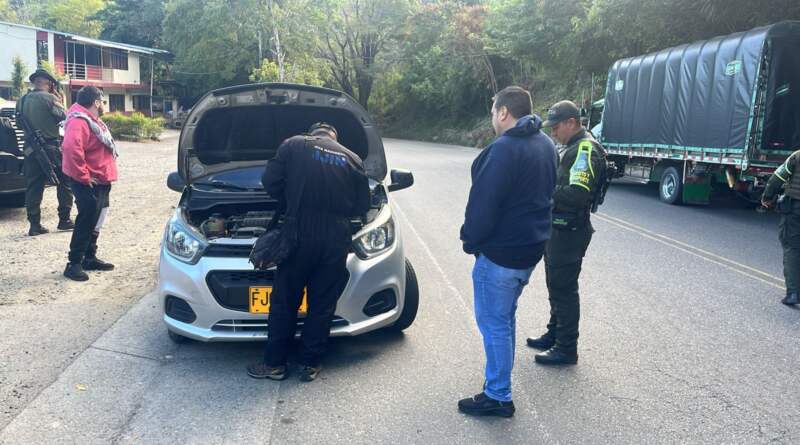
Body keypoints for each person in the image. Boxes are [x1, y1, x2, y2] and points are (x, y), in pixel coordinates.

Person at [457, 86, 558, 418]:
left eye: (492, 111)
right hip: (530, 250)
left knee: (495, 323)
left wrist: (470, 241)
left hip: (501, 255)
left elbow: (483, 206)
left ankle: (498, 395)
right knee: (505, 318)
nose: (491, 117)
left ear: (503, 112)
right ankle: (498, 386)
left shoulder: (503, 150)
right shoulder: (546, 144)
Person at [247, 122, 371, 382]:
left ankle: (275, 365)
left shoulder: (294, 144)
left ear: (313, 133)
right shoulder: (352, 158)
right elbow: (363, 205)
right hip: (337, 236)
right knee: (322, 304)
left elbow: (270, 182)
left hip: (299, 233)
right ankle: (309, 364)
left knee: (285, 302)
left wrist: (292, 200)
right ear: (334, 137)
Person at [526, 100, 607, 365]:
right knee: (555, 284)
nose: (553, 133)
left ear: (572, 122)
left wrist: (544, 189)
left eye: (557, 126)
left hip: (570, 230)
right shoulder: (573, 146)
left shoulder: (584, 149)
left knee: (564, 289)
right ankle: (554, 334)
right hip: (559, 229)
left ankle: (566, 347)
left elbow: (577, 194)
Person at [61, 86, 118, 282]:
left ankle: (89, 257)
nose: (103, 105)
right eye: (102, 101)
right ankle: (74, 263)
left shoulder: (92, 121)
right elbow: (70, 149)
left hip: (100, 179)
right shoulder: (79, 121)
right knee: (87, 219)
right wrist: (84, 176)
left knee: (97, 218)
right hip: (88, 181)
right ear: (95, 102)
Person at [15, 69, 74, 236]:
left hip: (30, 150)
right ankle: (64, 220)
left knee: (34, 186)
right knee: (64, 182)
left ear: (35, 82)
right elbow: (65, 119)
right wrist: (61, 100)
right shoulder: (51, 98)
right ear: (49, 84)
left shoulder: (22, 100)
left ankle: (35, 225)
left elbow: (19, 125)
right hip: (51, 148)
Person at [761, 148, 800, 306]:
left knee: (792, 248)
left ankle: (793, 293)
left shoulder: (797, 156)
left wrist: (767, 197)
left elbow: (777, 178)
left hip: (795, 211)